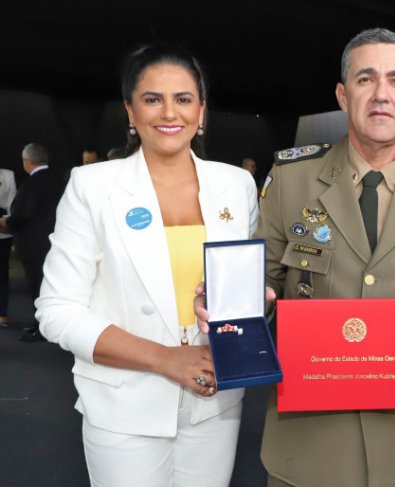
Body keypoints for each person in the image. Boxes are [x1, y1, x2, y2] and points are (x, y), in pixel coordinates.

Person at [197, 28, 395, 487]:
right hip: (306, 447)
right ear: (343, 95)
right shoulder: (292, 179)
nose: (382, 94)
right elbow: (267, 282)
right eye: (366, 79)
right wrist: (242, 302)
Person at [35, 45, 259, 486]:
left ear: (202, 111)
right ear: (130, 112)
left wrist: (254, 305)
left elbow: (237, 294)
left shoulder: (237, 185)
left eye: (183, 98)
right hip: (123, 407)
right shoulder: (92, 186)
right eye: (152, 99)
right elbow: (56, 310)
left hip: (214, 401)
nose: (169, 112)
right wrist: (166, 359)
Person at [0, 143, 64, 341]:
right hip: (56, 241)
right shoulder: (58, 181)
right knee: (53, 285)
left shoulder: (31, 184)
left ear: (27, 161)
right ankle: (53, 324)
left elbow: (21, 215)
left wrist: (6, 222)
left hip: (34, 245)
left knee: (38, 286)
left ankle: (42, 327)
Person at [0, 168, 16, 327]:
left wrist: (7, 223)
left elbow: (12, 204)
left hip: (3, 232)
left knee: (2, 273)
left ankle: (2, 312)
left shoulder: (7, 175)